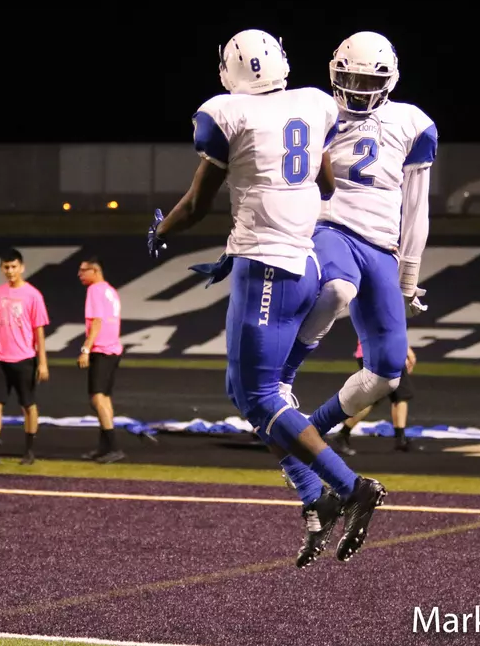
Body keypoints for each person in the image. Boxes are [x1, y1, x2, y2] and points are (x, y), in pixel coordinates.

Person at [148, 29, 386, 569]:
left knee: (258, 397)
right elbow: (324, 184)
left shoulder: (225, 113)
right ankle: (315, 498)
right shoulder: (314, 104)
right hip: (298, 263)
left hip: (269, 271)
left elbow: (197, 203)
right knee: (245, 390)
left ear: (232, 71)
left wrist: (165, 230)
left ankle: (350, 488)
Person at [276, 31, 438, 449]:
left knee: (387, 371)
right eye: (354, 79)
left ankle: (315, 427)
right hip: (331, 226)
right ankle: (283, 378)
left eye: (369, 82)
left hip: (381, 245)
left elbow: (416, 208)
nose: (359, 90)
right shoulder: (318, 111)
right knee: (337, 288)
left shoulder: (413, 124)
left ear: (389, 81)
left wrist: (408, 278)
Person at [0, 249, 50, 465]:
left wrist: (43, 362)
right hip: (0, 357)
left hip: (24, 357)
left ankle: (29, 451)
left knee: (27, 405)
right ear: (2, 269)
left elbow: (39, 331)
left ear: (22, 268)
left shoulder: (33, 295)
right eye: (6, 267)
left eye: (13, 267)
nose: (10, 271)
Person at [77, 257, 126, 464]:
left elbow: (97, 322)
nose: (79, 274)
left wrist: (86, 349)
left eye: (83, 270)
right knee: (104, 398)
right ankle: (104, 447)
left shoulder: (95, 290)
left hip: (102, 349)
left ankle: (113, 447)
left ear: (95, 271)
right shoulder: (110, 290)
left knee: (97, 398)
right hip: (113, 349)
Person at [333, 339, 418, 455]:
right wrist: (406, 351)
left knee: (399, 395)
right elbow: (389, 328)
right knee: (379, 398)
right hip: (383, 354)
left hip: (371, 352)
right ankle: (343, 434)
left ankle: (400, 439)